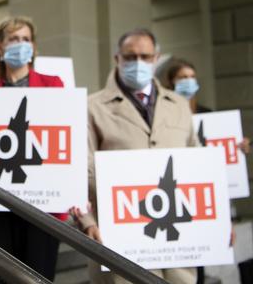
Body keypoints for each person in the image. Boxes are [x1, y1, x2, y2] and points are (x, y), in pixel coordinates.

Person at [71, 28, 198, 284]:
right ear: (117, 58)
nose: (137, 63)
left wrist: (218, 221)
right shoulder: (91, 107)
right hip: (117, 231)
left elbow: (196, 164)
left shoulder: (179, 105)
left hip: (175, 233)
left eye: (145, 56)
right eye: (130, 57)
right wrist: (86, 221)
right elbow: (78, 168)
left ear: (156, 59)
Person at [0, 16, 64, 282]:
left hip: (41, 204)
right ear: (0, 47)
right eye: (14, 39)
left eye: (26, 39)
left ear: (33, 47)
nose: (21, 45)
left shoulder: (53, 85)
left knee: (37, 276)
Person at [166, 59, 250, 154]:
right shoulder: (164, 112)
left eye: (192, 77)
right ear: (172, 81)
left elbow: (220, 140)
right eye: (184, 77)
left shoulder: (206, 113)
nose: (189, 81)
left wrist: (239, 146)